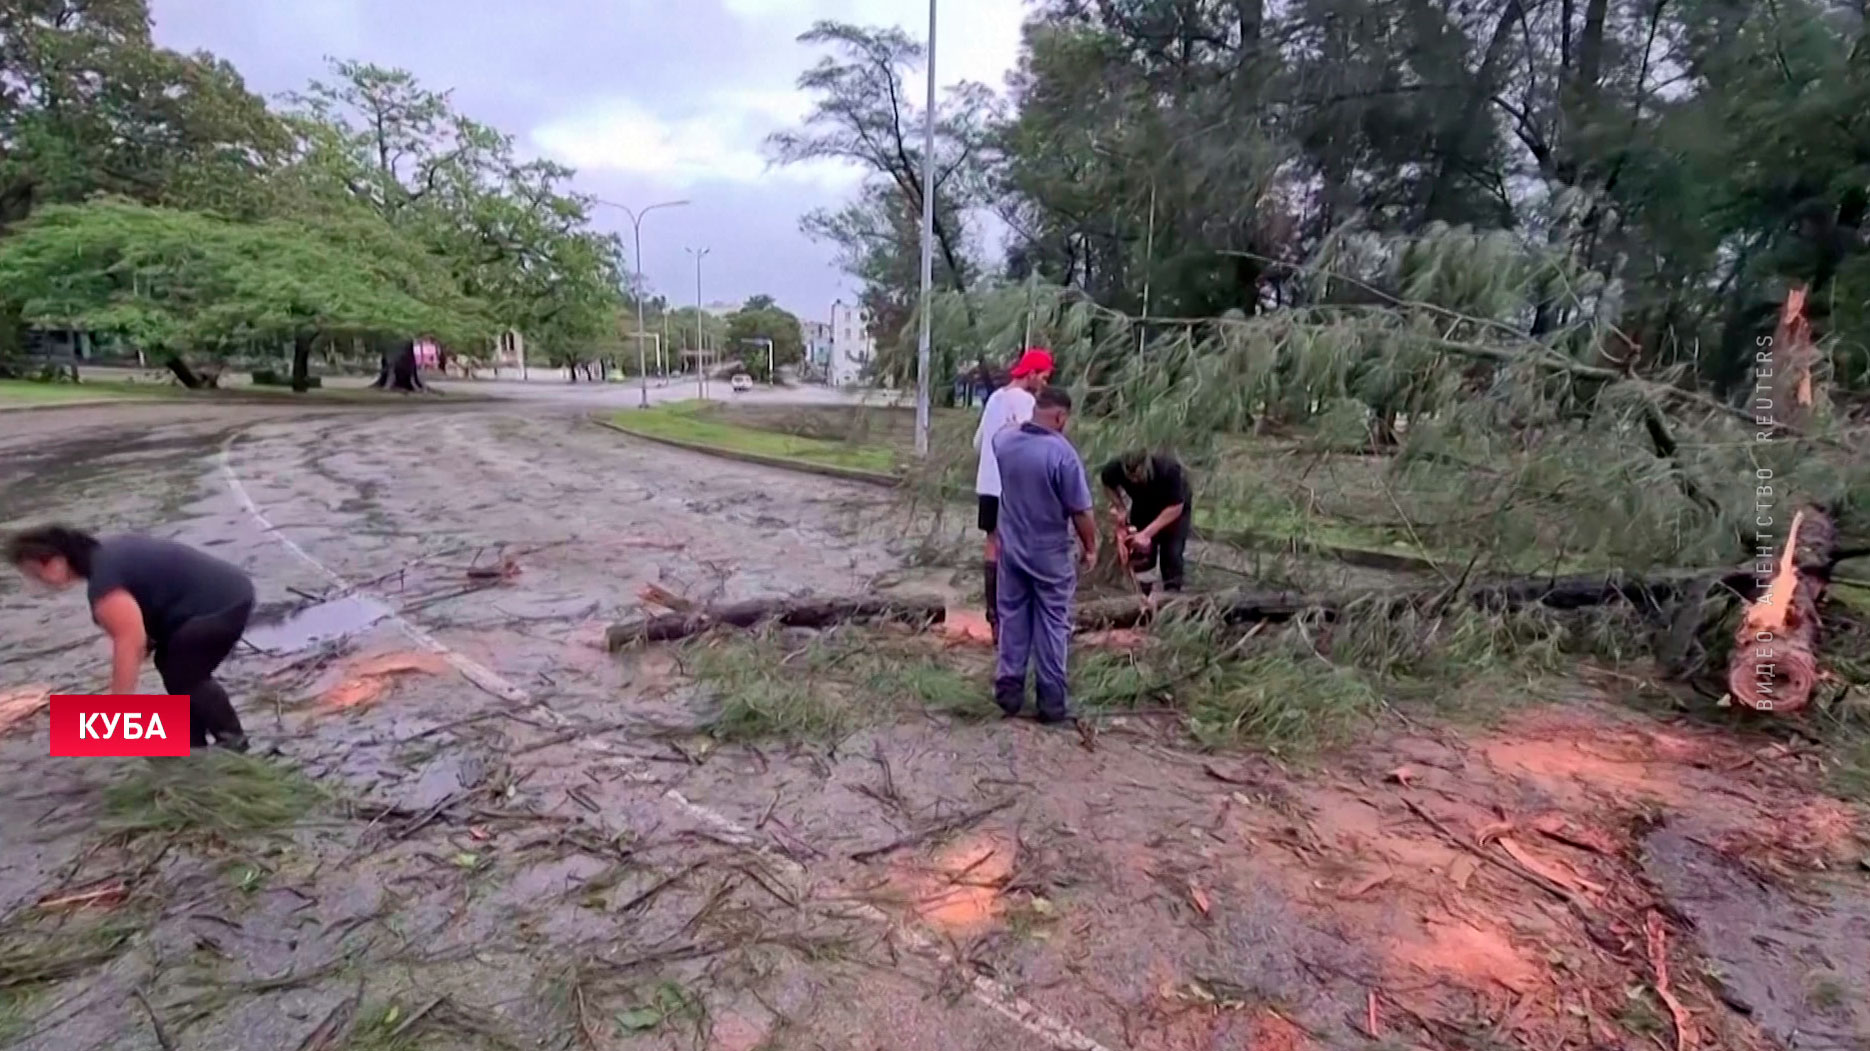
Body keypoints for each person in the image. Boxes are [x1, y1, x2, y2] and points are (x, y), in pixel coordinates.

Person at [7, 526, 256, 751]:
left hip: (221, 605)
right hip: (223, 594)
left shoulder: (104, 586)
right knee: (171, 664)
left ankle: (233, 741)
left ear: (55, 561)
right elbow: (145, 603)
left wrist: (116, 708)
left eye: (35, 573)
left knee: (184, 673)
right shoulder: (105, 553)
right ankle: (191, 741)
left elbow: (130, 643)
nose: (36, 582)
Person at [990, 386, 1097, 723]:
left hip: (1012, 549)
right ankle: (1051, 702)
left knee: (1013, 617)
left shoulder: (1004, 443)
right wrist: (1091, 547)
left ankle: (1009, 691)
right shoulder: (1062, 455)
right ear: (1061, 416)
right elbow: (1081, 511)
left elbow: (1003, 433)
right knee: (1052, 623)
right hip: (1050, 553)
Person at [972, 347, 1056, 641]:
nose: (1045, 383)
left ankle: (993, 618)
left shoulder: (995, 398)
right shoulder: (1028, 403)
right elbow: (1034, 446)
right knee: (1018, 547)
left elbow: (978, 441)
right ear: (1031, 373)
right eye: (1044, 376)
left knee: (992, 544)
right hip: (1014, 489)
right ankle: (1015, 618)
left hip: (987, 486)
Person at [1100, 450, 1193, 593]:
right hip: (1143, 505)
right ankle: (1140, 591)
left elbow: (1176, 507)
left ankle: (1172, 593)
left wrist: (1146, 533)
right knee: (1139, 551)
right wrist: (1120, 507)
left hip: (1173, 509)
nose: (1134, 481)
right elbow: (1107, 483)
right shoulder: (1115, 468)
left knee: (1172, 553)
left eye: (1138, 476)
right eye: (1130, 478)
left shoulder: (1167, 469)